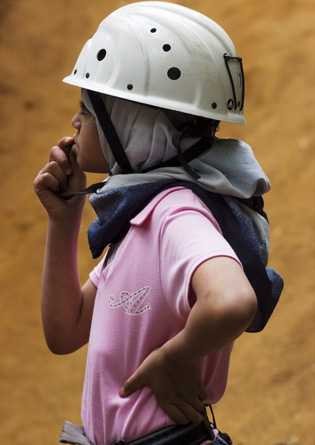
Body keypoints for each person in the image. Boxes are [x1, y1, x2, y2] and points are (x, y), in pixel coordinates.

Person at [33, 2, 283, 444]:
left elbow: (231, 301)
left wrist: (178, 357)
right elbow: (65, 331)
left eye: (87, 109)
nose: (75, 122)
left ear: (131, 123)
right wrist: (64, 217)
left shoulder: (175, 211)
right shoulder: (138, 220)